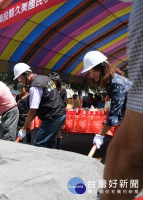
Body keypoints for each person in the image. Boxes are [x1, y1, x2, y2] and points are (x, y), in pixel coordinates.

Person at [101, 1, 143, 199]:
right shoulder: (115, 82)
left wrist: (100, 134)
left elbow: (133, 150)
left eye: (91, 72)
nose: (90, 77)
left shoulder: (117, 83)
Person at [81, 51, 132, 151]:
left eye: (93, 71)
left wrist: (100, 135)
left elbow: (114, 113)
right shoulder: (113, 81)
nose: (92, 75)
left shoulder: (116, 83)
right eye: (90, 72)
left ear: (102, 68)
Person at [13, 63, 66, 148]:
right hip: (60, 114)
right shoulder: (44, 78)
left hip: (53, 116)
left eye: (20, 77)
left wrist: (23, 129)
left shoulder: (35, 86)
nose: (19, 81)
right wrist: (25, 127)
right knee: (49, 143)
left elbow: (33, 111)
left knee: (39, 144)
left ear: (27, 74)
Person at [49, 72, 67, 149]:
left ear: (57, 81)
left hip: (59, 113)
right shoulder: (49, 89)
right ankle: (51, 148)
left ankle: (58, 149)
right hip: (50, 113)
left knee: (58, 132)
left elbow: (64, 104)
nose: (52, 83)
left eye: (54, 81)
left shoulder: (62, 90)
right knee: (51, 131)